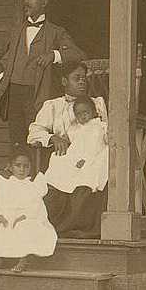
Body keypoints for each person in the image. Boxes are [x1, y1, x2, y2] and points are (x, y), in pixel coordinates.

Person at [0, 0, 85, 147]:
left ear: (44, 2)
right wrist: (3, 76)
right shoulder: (14, 31)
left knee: (38, 140)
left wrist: (54, 55)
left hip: (40, 95)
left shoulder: (56, 32)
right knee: (17, 142)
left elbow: (78, 54)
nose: (26, 2)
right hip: (14, 94)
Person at [28, 63, 108, 238]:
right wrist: (52, 138)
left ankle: (81, 226)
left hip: (92, 151)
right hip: (65, 155)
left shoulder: (96, 103)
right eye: (76, 78)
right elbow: (34, 133)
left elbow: (103, 130)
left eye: (84, 78)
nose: (82, 82)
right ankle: (55, 225)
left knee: (94, 171)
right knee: (59, 175)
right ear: (64, 81)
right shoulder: (53, 106)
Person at [0, 148, 57, 273]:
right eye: (18, 165)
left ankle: (23, 258)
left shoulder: (32, 186)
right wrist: (1, 216)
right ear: (10, 167)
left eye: (26, 166)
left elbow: (36, 207)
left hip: (27, 216)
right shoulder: (5, 184)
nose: (22, 169)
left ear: (30, 168)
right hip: (7, 214)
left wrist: (22, 217)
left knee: (23, 226)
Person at [41, 97, 108, 196]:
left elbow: (95, 146)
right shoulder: (77, 129)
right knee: (57, 160)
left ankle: (71, 186)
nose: (83, 116)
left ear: (94, 112)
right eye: (79, 114)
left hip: (92, 155)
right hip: (76, 154)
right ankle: (54, 186)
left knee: (83, 170)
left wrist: (85, 158)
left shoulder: (98, 127)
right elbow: (74, 141)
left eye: (85, 112)